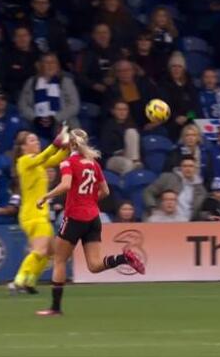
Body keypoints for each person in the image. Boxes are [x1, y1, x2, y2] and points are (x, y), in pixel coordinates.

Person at [35, 129, 145, 316]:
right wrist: (90, 200)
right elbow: (106, 192)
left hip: (74, 217)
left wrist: (45, 196)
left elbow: (66, 185)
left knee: (59, 260)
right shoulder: (93, 164)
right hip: (94, 218)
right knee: (94, 265)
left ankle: (55, 308)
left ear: (70, 145)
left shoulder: (68, 162)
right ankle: (124, 258)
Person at [9, 128, 70, 294]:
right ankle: (18, 281)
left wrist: (67, 146)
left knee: (49, 251)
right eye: (31, 141)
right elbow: (44, 156)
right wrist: (56, 143)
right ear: (23, 147)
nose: (36, 142)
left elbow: (57, 158)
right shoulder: (23, 161)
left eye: (36, 140)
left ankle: (30, 282)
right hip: (33, 214)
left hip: (40, 214)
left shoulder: (37, 163)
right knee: (41, 250)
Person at [19, 53, 81, 142]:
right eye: (46, 62)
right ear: (40, 65)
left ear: (58, 65)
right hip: (36, 123)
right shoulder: (31, 82)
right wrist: (35, 118)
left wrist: (55, 118)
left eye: (53, 62)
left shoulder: (66, 82)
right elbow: (23, 105)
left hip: (62, 122)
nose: (50, 65)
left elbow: (74, 105)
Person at [144, 155, 206, 221]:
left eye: (191, 166)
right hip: (163, 220)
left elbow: (198, 212)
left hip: (185, 224)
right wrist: (152, 208)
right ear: (180, 168)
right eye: (185, 166)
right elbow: (148, 192)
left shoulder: (201, 190)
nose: (188, 169)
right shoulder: (167, 178)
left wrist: (208, 216)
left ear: (195, 169)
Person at [76, 23, 122, 103]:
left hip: (117, 90)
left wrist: (115, 79)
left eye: (105, 32)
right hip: (93, 94)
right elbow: (79, 76)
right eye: (99, 33)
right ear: (93, 35)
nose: (102, 36)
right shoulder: (85, 53)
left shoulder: (117, 52)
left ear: (110, 35)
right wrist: (94, 85)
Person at [159, 52, 201, 140]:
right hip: (171, 122)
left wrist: (187, 117)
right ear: (169, 69)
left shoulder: (190, 86)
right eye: (174, 66)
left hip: (189, 121)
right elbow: (163, 106)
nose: (176, 69)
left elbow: (196, 108)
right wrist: (175, 117)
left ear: (183, 69)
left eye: (179, 67)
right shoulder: (163, 86)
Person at [28, 0, 71, 68]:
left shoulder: (56, 23)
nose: (42, 5)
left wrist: (67, 61)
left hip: (53, 62)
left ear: (49, 5)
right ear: (33, 4)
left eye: (45, 3)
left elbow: (63, 45)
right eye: (39, 3)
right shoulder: (25, 23)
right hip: (32, 62)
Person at [99, 100, 142, 175]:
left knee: (131, 132)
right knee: (128, 164)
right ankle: (124, 184)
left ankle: (135, 162)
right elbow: (105, 149)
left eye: (125, 109)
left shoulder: (132, 126)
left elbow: (139, 146)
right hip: (112, 158)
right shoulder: (107, 126)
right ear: (113, 111)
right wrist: (120, 152)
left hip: (130, 156)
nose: (122, 112)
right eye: (119, 109)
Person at [4, 26, 39, 99]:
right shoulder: (8, 55)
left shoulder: (39, 54)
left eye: (24, 35)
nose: (22, 38)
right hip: (18, 91)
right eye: (18, 36)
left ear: (30, 37)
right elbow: (10, 77)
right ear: (13, 39)